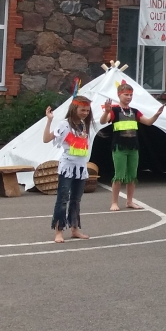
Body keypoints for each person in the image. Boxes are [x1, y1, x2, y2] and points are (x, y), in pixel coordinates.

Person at [100, 80, 163, 212]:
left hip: (133, 147)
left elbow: (148, 122)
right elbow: (103, 121)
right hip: (119, 147)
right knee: (119, 175)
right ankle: (114, 202)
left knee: (132, 175)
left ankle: (129, 201)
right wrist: (106, 112)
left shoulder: (135, 111)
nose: (128, 97)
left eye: (130, 95)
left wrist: (156, 115)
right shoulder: (115, 110)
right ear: (119, 95)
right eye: (126, 95)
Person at [43, 91, 93, 244]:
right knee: (63, 198)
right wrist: (49, 120)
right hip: (67, 167)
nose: (85, 113)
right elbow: (46, 139)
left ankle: (75, 229)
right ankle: (59, 231)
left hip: (80, 168)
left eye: (87, 110)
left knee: (76, 199)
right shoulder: (64, 124)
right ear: (74, 109)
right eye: (82, 110)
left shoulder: (84, 125)